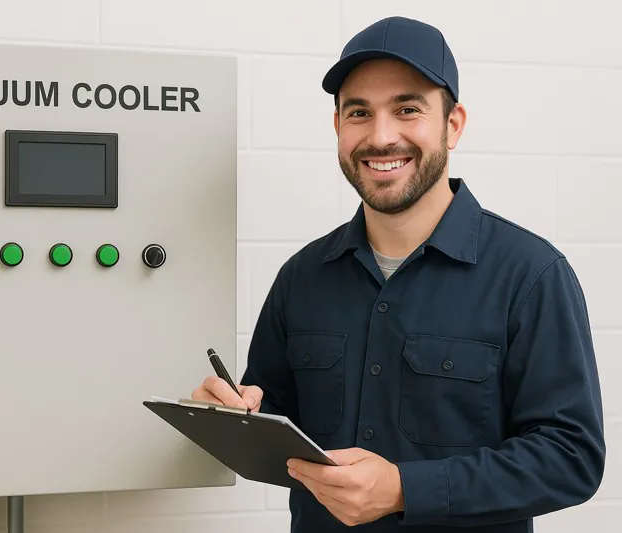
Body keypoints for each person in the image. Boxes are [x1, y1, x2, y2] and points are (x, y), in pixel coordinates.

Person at [191, 15, 605, 532]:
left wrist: (407, 490)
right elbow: (279, 421)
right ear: (339, 127)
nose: (381, 136)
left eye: (407, 109)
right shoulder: (301, 277)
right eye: (359, 112)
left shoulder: (531, 275)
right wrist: (237, 417)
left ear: (452, 125)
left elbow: (571, 459)